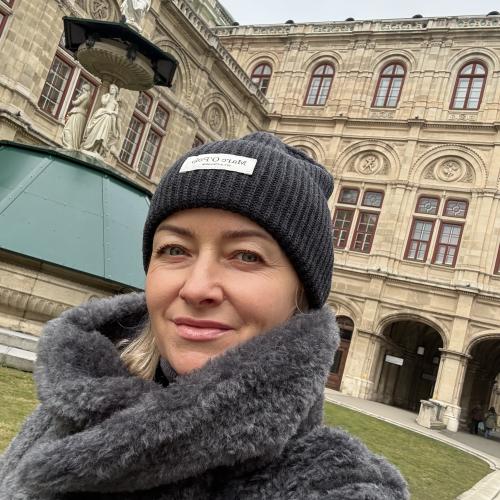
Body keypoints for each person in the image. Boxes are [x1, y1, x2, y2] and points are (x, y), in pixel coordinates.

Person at [0, 133, 408, 498]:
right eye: (175, 250)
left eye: (246, 256)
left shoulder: (338, 485)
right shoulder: (73, 402)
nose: (196, 288)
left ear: (302, 293)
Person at [81, 84, 121, 158]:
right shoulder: (105, 96)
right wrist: (108, 97)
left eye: (113, 89)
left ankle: (95, 149)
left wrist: (111, 112)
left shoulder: (116, 103)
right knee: (95, 132)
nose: (111, 90)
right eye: (110, 88)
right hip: (101, 115)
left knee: (103, 135)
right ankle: (89, 146)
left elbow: (116, 113)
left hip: (108, 118)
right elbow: (103, 103)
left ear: (116, 91)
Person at [61, 83, 92, 150]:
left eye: (82, 89)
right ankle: (73, 145)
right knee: (76, 132)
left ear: (84, 89)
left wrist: (74, 98)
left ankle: (70, 145)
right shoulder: (89, 97)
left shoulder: (84, 95)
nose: (82, 90)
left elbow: (75, 103)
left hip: (77, 114)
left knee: (69, 129)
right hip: (82, 115)